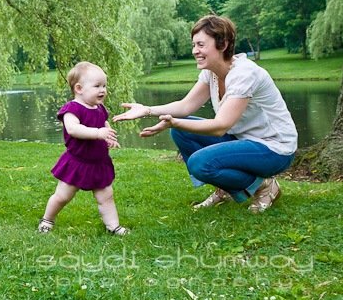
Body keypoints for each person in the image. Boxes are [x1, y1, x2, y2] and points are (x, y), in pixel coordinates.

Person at [113, 15, 297, 213]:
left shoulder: (245, 74)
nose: (195, 51)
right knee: (181, 132)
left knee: (200, 163)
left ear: (223, 44)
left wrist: (174, 122)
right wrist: (147, 110)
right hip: (243, 140)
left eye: (201, 45)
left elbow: (220, 127)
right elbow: (185, 106)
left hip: (274, 148)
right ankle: (227, 187)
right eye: (194, 45)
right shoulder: (211, 72)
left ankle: (264, 186)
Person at [38, 62, 129, 235]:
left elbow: (103, 122)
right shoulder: (72, 109)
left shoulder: (99, 108)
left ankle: (113, 226)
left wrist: (109, 136)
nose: (103, 90)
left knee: (106, 197)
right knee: (62, 196)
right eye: (97, 86)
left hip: (99, 162)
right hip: (77, 163)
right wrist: (98, 133)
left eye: (104, 86)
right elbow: (73, 129)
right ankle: (47, 220)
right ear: (79, 88)